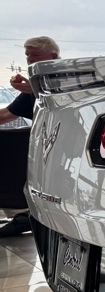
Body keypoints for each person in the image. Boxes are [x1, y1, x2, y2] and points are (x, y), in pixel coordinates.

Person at [0, 36, 60, 237]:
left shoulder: (64, 81)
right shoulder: (33, 88)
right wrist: (32, 90)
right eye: (27, 55)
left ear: (53, 56)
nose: (29, 60)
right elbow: (7, 115)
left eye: (34, 55)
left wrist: (36, 91)